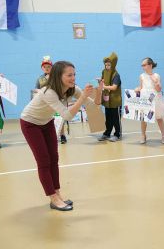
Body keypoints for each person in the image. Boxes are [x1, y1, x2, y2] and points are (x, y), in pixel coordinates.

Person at [20, 61, 103, 211]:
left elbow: (94, 105)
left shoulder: (72, 89)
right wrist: (82, 97)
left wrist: (100, 91)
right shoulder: (48, 92)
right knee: (44, 160)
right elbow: (66, 115)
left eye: (74, 75)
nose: (73, 78)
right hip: (30, 123)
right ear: (59, 76)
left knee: (54, 157)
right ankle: (53, 198)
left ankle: (57, 194)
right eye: (69, 75)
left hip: (46, 122)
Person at [135, 57, 164, 144]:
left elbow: (158, 89)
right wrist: (137, 89)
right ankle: (143, 135)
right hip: (145, 99)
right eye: (142, 65)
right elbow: (141, 87)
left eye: (144, 65)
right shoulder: (142, 76)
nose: (143, 67)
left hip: (155, 98)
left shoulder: (156, 76)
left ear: (150, 65)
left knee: (159, 118)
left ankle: (163, 135)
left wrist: (156, 82)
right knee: (143, 118)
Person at [97, 52, 123, 142]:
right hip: (107, 99)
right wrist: (100, 81)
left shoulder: (116, 75)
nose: (107, 66)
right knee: (108, 118)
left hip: (115, 100)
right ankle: (107, 133)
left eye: (109, 65)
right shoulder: (104, 72)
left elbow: (114, 87)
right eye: (106, 65)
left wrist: (104, 87)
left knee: (115, 118)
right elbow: (103, 81)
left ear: (113, 64)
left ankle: (117, 134)